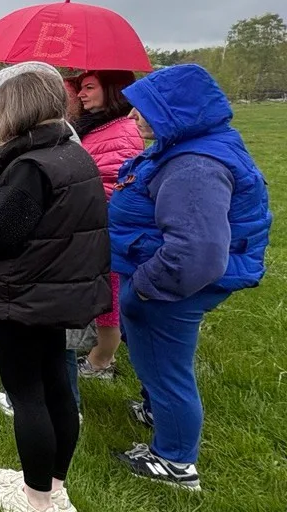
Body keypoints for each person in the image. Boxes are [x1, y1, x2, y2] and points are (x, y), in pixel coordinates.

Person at [109, 65, 270, 491]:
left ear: (174, 113)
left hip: (169, 290)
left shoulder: (194, 165)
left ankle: (176, 461)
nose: (133, 118)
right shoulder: (186, 146)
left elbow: (196, 252)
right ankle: (158, 413)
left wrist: (144, 287)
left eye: (144, 110)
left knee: (166, 371)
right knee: (157, 365)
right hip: (162, 282)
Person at [0, 67, 110, 512]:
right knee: (56, 387)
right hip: (54, 289)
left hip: (21, 295)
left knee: (29, 396)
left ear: (17, 105)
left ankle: (37, 500)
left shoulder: (30, 167)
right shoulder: (70, 152)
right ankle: (51, 484)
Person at [66, 70, 143, 381]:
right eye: (80, 88)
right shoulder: (99, 125)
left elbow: (114, 187)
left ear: (113, 91)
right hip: (92, 225)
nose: (82, 95)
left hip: (108, 229)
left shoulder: (122, 131)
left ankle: (102, 360)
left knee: (108, 299)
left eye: (89, 88)